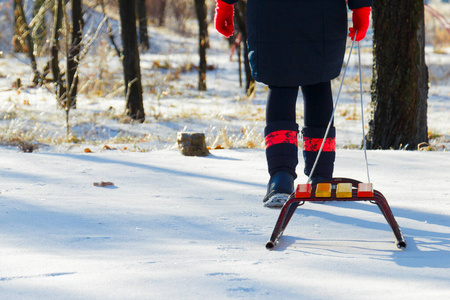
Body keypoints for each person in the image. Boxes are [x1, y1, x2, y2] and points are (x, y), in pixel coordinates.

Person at [214, 0, 372, 207]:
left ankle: (280, 178)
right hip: (322, 12)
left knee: (281, 83)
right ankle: (320, 177)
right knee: (318, 82)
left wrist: (224, 5)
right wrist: (361, 8)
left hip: (271, 13)